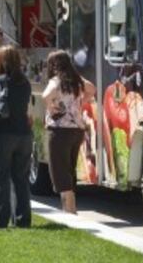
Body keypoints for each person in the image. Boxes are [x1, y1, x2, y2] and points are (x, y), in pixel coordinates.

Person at [0, 45, 33, 228]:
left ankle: (1, 219)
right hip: (24, 134)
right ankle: (23, 219)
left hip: (2, 134)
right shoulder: (25, 82)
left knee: (1, 177)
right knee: (21, 179)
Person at [42, 50, 96, 214]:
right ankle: (70, 208)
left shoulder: (56, 81)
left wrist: (51, 106)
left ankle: (70, 211)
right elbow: (92, 89)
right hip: (76, 131)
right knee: (69, 169)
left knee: (59, 171)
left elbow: (45, 95)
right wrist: (80, 102)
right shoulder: (77, 80)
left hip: (59, 131)